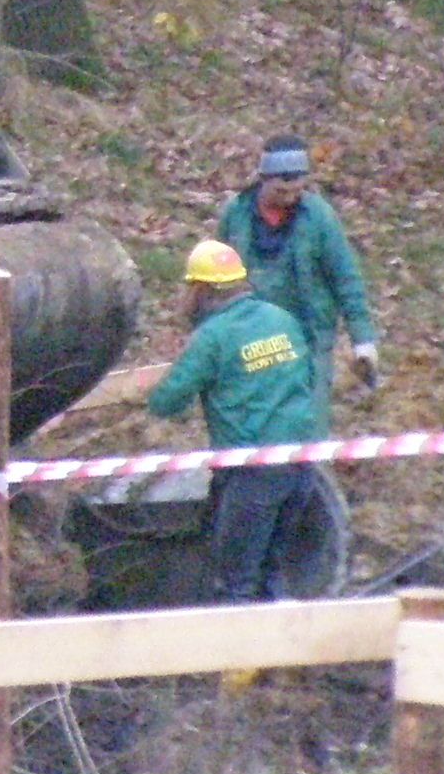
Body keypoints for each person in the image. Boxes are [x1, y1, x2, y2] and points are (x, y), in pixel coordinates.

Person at [147, 238, 331, 603]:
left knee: (236, 583)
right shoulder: (283, 320)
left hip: (254, 473)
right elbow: (308, 379)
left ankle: (240, 661)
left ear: (201, 289)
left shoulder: (213, 337)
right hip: (304, 466)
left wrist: (151, 389)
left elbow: (167, 402)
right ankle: (275, 654)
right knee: (271, 572)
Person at [218, 136, 379, 425]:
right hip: (249, 338)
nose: (290, 197)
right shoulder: (236, 215)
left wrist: (363, 341)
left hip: (308, 339)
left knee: (306, 424)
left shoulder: (319, 218)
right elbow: (214, 279)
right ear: (263, 180)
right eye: (281, 190)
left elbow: (346, 280)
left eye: (297, 189)